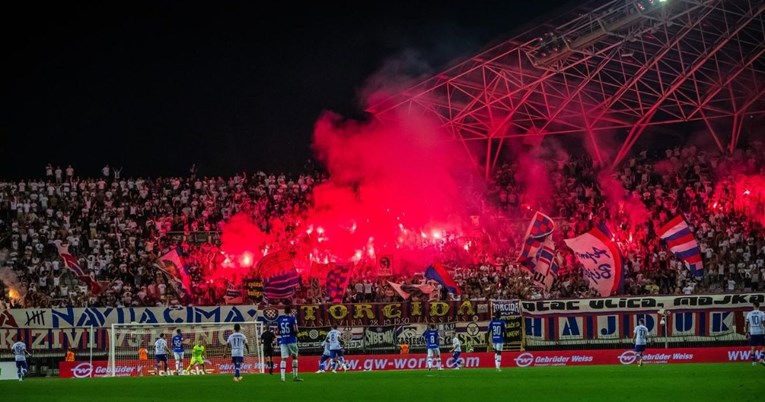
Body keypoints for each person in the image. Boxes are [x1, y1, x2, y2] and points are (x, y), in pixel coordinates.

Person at [276, 305, 303, 382]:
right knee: (294, 357)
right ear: (290, 311)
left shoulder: (280, 319)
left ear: (284, 311)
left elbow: (278, 331)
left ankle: (282, 378)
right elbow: (295, 329)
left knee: (283, 358)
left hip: (283, 341)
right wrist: (296, 332)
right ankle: (295, 376)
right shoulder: (292, 319)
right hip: (291, 340)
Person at [745, 301, 765, 366]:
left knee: (753, 347)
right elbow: (764, 323)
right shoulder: (762, 313)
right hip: (760, 332)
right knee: (764, 346)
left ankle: (753, 362)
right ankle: (762, 358)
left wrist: (746, 332)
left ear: (753, 306)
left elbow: (746, 323)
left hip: (753, 332)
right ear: (759, 306)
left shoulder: (749, 313)